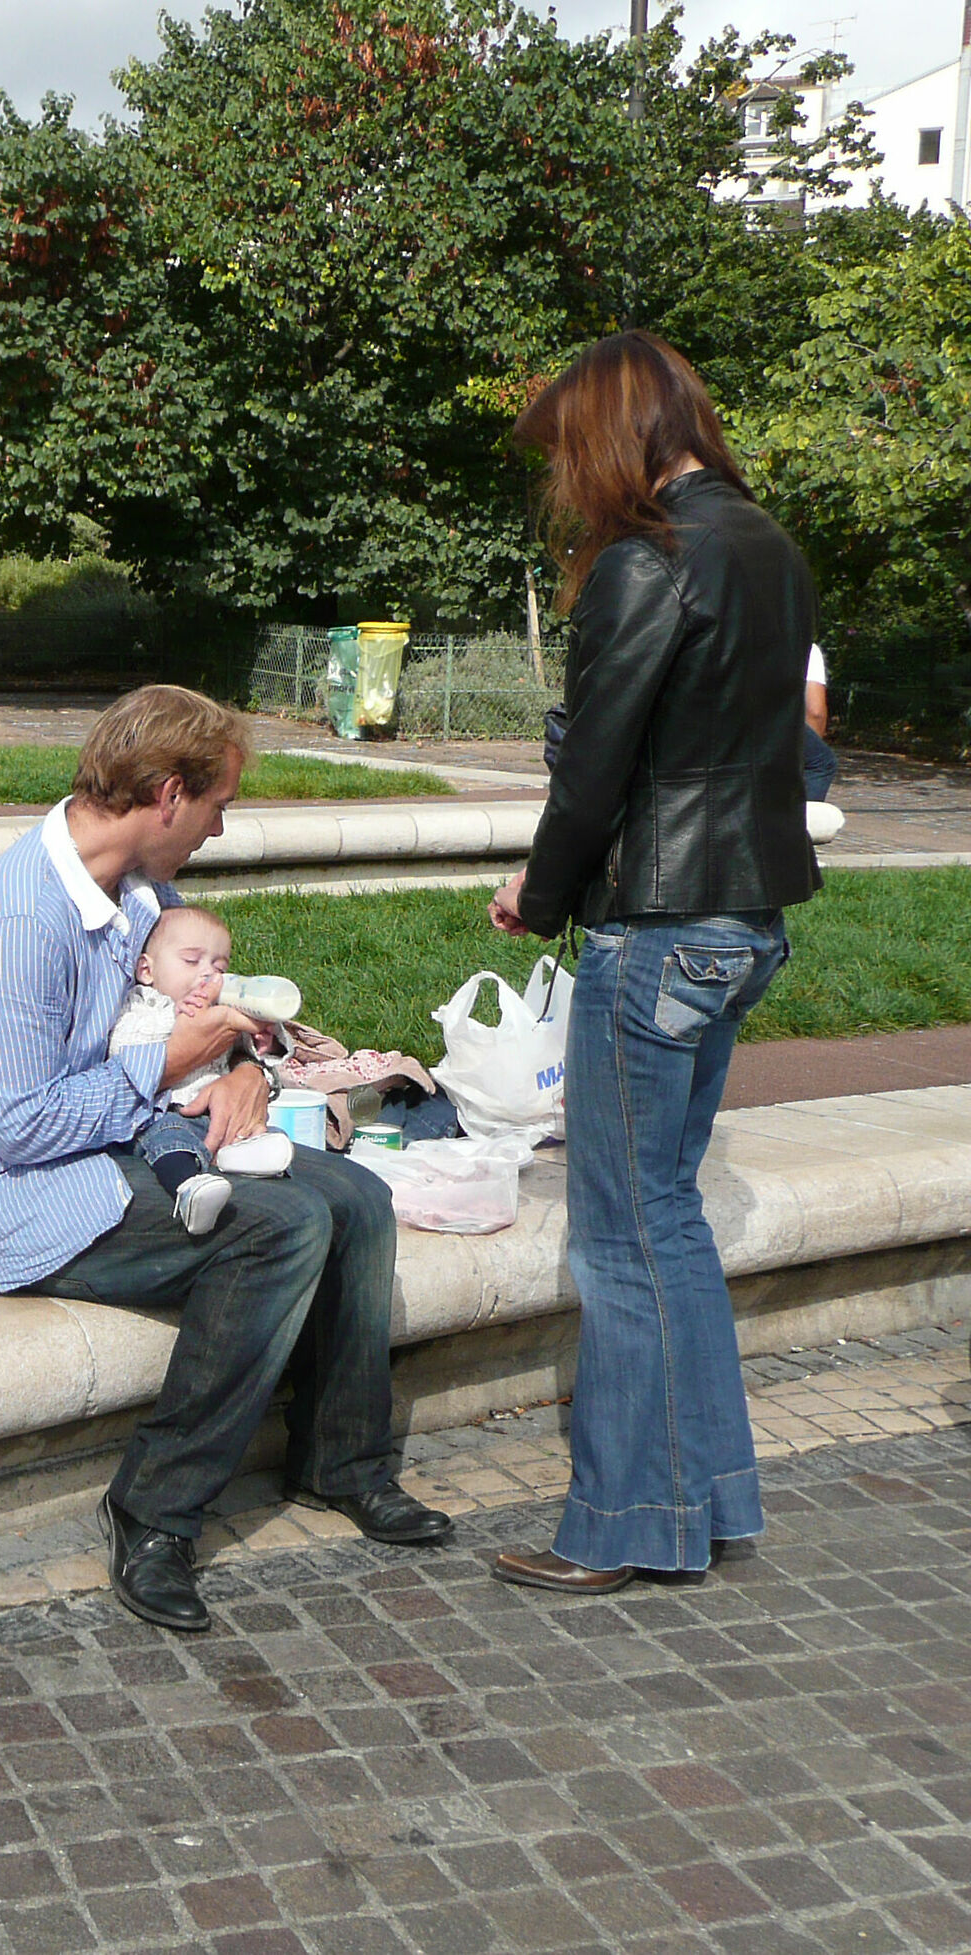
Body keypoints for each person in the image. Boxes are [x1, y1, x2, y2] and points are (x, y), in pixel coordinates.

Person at [0, 685, 452, 1635]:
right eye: (218, 807)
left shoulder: (139, 890)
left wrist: (242, 1064)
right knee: (281, 1226)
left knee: (361, 1198)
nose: (218, 829)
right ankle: (154, 1511)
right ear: (169, 794)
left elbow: (194, 1008)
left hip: (132, 1141)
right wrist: (165, 1066)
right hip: (19, 1194)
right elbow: (22, 1130)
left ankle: (342, 1462)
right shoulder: (22, 921)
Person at [487, 330, 819, 1595]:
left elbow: (598, 769)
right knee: (670, 1223)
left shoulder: (652, 559)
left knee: (621, 1242)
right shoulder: (769, 547)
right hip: (743, 921)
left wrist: (542, 890)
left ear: (610, 433)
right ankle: (710, 1502)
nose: (562, 477)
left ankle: (625, 1521)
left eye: (567, 449)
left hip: (662, 927)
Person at [107, 905, 297, 1233]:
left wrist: (262, 1040)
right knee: (170, 1140)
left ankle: (245, 1157)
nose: (206, 974)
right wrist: (177, 1020)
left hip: (217, 1113)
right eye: (191, 961)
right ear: (146, 969)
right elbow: (124, 1048)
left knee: (260, 1132)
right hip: (166, 1111)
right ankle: (189, 1189)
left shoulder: (218, 1009)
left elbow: (245, 1051)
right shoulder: (146, 1005)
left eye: (218, 966)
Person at [804, 642, 838, 802]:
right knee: (821, 763)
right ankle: (804, 821)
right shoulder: (804, 647)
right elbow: (815, 712)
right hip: (768, 724)